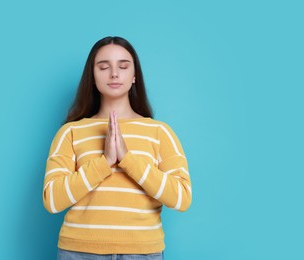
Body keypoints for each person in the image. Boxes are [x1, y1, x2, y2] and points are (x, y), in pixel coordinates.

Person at [43, 36, 192, 260]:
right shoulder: (70, 132)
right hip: (79, 252)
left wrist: (127, 159)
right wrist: (104, 163)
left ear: (134, 77)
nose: (114, 73)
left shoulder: (160, 132)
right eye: (104, 67)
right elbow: (52, 201)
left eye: (123, 66)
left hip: (142, 253)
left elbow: (181, 198)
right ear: (92, 77)